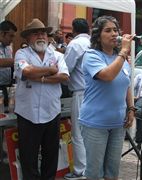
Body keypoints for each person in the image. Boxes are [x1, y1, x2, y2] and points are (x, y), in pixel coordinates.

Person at [79, 15, 134, 180]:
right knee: (95, 173)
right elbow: (107, 75)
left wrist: (131, 108)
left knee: (112, 171)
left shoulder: (121, 60)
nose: (113, 34)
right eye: (107, 30)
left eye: (115, 30)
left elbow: (127, 85)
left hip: (118, 124)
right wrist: (124, 52)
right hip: (95, 123)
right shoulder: (91, 56)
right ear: (98, 35)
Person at [14, 18, 69, 180]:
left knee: (51, 155)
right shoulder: (21, 53)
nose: (41, 36)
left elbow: (64, 76)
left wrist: (41, 78)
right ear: (28, 38)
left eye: (43, 33)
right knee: (28, 157)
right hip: (27, 114)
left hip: (52, 112)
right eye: (36, 33)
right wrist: (51, 70)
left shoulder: (57, 55)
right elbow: (27, 72)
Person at [63, 18, 90, 180]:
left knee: (78, 133)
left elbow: (65, 68)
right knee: (91, 132)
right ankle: (90, 167)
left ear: (74, 30)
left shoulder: (75, 44)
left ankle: (80, 170)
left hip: (80, 92)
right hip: (95, 92)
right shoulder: (94, 43)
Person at [0, 20, 17, 107]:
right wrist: (20, 60)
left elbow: (10, 64)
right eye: (10, 36)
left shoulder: (9, 46)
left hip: (7, 86)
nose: (12, 39)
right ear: (2, 33)